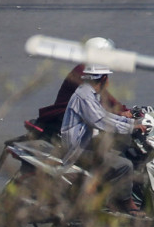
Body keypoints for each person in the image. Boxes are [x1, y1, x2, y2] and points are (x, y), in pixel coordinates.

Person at [60, 63, 147, 216]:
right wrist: (130, 127)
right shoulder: (85, 96)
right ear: (104, 79)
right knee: (124, 165)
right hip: (78, 149)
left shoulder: (89, 93)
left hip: (84, 142)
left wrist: (130, 122)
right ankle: (124, 203)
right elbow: (100, 121)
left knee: (117, 148)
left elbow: (105, 116)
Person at [34, 37, 131, 132]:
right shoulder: (83, 72)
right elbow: (99, 102)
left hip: (83, 113)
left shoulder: (95, 71)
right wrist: (121, 113)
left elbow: (106, 98)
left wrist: (125, 110)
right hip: (69, 119)